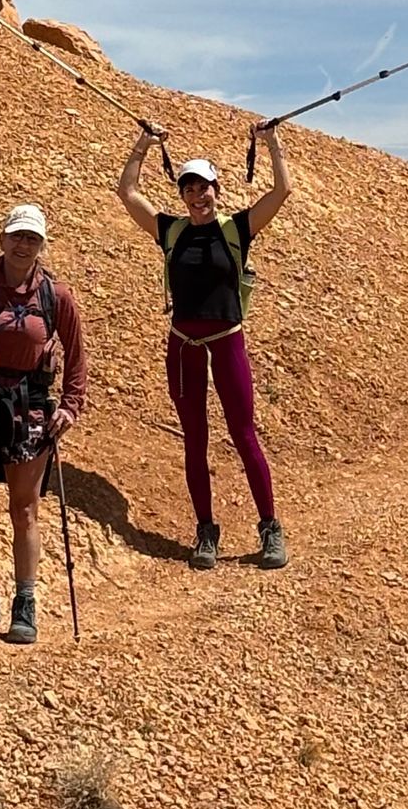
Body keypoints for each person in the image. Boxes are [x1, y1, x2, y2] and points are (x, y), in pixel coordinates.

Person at [117, 127, 291, 571]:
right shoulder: (171, 231)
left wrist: (269, 141)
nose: (197, 195)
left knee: (243, 434)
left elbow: (282, 190)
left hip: (226, 340)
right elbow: (127, 191)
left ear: (217, 189)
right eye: (189, 188)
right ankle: (205, 530)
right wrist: (145, 144)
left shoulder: (236, 228)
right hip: (183, 346)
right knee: (195, 439)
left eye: (203, 187)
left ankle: (270, 526)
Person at [0, 203, 89, 645]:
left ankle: (25, 601)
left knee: (24, 508)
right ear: (2, 238)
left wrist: (70, 406)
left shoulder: (55, 295)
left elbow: (76, 354)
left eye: (32, 238)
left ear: (41, 244)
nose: (23, 245)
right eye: (17, 236)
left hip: (32, 406)